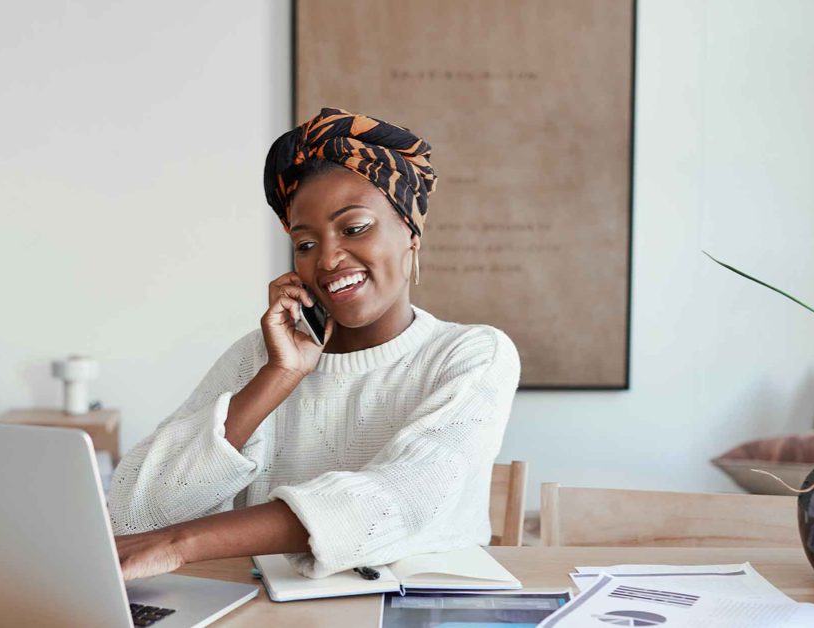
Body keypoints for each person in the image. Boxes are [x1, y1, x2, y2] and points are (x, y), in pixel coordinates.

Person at [110, 107, 521, 580]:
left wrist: (184, 543)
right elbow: (135, 514)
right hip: (272, 613)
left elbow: (401, 496)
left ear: (411, 232)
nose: (327, 259)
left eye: (354, 228)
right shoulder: (260, 357)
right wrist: (279, 376)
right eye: (305, 244)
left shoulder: (471, 354)